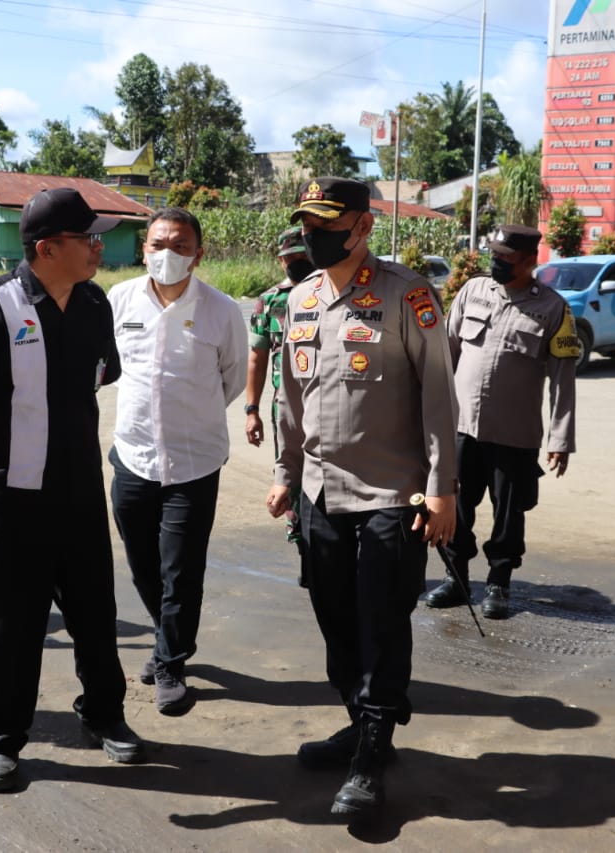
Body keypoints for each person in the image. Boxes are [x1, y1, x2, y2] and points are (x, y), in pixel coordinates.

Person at [0, 187, 142, 792]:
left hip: (78, 488)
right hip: (12, 495)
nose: (98, 248)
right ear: (47, 248)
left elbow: (98, 377)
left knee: (95, 613)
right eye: (88, 238)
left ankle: (103, 714)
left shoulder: (93, 303)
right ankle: (1, 740)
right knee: (13, 624)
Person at [267, 177, 458, 822]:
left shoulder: (408, 294)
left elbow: (439, 395)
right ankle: (360, 722)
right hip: (319, 492)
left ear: (362, 227)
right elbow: (290, 398)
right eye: (308, 225)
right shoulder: (300, 299)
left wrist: (443, 489)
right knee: (335, 620)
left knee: (381, 622)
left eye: (327, 224)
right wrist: (285, 472)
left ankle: (372, 755)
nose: (314, 235)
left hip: (391, 493)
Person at [108, 206, 246, 717]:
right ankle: (170, 637)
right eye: (159, 244)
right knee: (144, 565)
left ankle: (170, 663)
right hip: (133, 456)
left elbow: (232, 378)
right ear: (144, 249)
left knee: (181, 571)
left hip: (194, 463)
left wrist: (192, 415)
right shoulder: (119, 300)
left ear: (198, 254)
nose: (168, 254)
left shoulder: (221, 310)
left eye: (180, 246)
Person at [430, 225, 578, 620]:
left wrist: (560, 438)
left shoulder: (553, 309)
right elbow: (445, 354)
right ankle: (456, 578)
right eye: (493, 255)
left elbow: (562, 379)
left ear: (530, 261)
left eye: (505, 258)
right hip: (461, 426)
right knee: (455, 506)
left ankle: (499, 582)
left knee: (509, 514)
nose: (495, 262)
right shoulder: (472, 291)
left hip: (515, 434)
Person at [244, 226, 316, 587]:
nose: (298, 262)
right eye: (292, 257)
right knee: (291, 479)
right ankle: (306, 551)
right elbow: (256, 359)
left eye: (305, 255)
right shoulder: (270, 301)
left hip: (330, 408)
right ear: (281, 260)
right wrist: (251, 410)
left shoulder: (332, 293)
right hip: (285, 411)